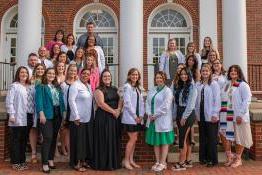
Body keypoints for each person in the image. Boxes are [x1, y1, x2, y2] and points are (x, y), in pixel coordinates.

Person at [219, 65, 253, 168]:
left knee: (240, 137)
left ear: (239, 73)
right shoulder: (226, 84)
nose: (233, 72)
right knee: (224, 135)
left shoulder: (243, 85)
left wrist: (241, 114)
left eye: (235, 70)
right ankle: (229, 157)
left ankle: (238, 159)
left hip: (238, 116)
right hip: (226, 115)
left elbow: (247, 100)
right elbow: (222, 97)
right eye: (231, 70)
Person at [35, 68, 65, 173]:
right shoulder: (41, 86)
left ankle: (51, 159)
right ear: (45, 74)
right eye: (49, 73)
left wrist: (63, 112)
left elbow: (61, 101)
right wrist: (41, 113)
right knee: (47, 138)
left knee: (54, 138)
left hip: (57, 114)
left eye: (53, 73)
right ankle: (44, 163)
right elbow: (38, 101)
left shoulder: (57, 87)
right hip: (46, 115)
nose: (51, 75)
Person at [92, 69, 122, 170]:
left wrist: (118, 109)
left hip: (114, 118)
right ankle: (103, 164)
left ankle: (113, 163)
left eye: (108, 76)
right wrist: (114, 112)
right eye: (105, 76)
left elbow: (121, 99)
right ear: (101, 78)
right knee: (104, 139)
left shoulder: (115, 88)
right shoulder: (98, 90)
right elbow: (101, 104)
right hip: (103, 118)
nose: (107, 78)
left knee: (113, 139)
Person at [145, 71, 174, 172]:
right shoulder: (152, 90)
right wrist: (149, 113)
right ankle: (157, 161)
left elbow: (165, 106)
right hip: (152, 120)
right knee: (156, 142)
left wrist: (155, 115)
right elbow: (147, 103)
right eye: (157, 78)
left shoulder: (168, 91)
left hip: (162, 119)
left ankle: (163, 162)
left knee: (164, 142)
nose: (159, 79)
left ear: (164, 79)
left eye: (161, 78)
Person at [195, 64, 221, 167]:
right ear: (200, 73)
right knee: (203, 137)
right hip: (201, 114)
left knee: (211, 138)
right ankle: (203, 158)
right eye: (203, 71)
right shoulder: (198, 84)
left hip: (211, 115)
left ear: (210, 72)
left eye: (207, 71)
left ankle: (212, 160)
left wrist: (215, 113)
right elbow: (196, 101)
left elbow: (217, 99)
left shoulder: (214, 84)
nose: (205, 73)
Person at [68, 68, 94, 172]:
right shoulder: (75, 85)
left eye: (88, 74)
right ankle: (76, 163)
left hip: (87, 118)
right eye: (84, 73)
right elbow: (71, 100)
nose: (85, 75)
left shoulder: (88, 85)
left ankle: (83, 161)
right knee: (78, 141)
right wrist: (76, 116)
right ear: (80, 74)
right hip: (78, 119)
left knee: (84, 141)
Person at [6, 66, 31, 171]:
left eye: (25, 72)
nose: (24, 74)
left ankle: (22, 161)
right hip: (17, 117)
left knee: (24, 141)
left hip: (27, 117)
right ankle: (15, 162)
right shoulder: (14, 86)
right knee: (16, 140)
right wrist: (11, 114)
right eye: (22, 72)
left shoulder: (29, 86)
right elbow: (9, 101)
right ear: (18, 74)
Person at [172, 67, 197, 171]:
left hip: (187, 114)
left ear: (189, 75)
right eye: (181, 74)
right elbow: (176, 103)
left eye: (185, 74)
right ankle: (186, 161)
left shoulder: (192, 87)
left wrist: (184, 117)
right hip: (179, 112)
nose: (183, 76)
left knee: (182, 138)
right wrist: (175, 116)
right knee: (185, 138)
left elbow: (191, 105)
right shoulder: (179, 86)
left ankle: (181, 163)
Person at [122, 68, 145, 170]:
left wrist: (141, 115)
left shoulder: (137, 88)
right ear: (129, 76)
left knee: (134, 139)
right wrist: (135, 117)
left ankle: (131, 160)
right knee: (132, 139)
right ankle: (126, 161)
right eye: (133, 75)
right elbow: (127, 103)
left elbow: (141, 103)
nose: (135, 76)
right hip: (130, 118)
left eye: (136, 75)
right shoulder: (127, 87)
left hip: (137, 118)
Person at [29, 63, 46, 164]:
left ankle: (45, 153)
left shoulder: (46, 80)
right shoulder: (30, 81)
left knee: (45, 131)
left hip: (44, 108)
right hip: (33, 108)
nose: (40, 70)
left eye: (42, 69)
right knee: (33, 129)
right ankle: (34, 153)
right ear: (35, 70)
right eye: (38, 69)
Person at [60, 64, 78, 157]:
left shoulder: (79, 83)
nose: (73, 72)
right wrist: (63, 112)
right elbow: (61, 99)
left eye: (74, 71)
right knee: (66, 131)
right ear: (67, 71)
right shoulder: (63, 84)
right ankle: (70, 152)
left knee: (75, 132)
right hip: (67, 111)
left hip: (76, 111)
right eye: (71, 70)